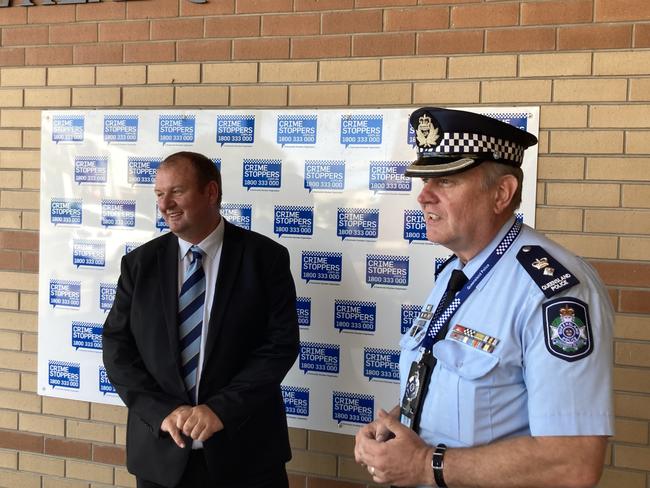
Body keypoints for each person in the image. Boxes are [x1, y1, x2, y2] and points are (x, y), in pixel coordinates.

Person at [354, 107, 614, 488]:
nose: (424, 196)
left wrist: (427, 465)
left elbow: (573, 462)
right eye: (426, 180)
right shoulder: (456, 271)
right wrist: (395, 429)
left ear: (501, 193)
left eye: (446, 181)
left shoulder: (555, 291)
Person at [102, 151, 300, 488]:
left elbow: (279, 346)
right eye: (159, 194)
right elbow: (118, 347)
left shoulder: (265, 258)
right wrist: (162, 412)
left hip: (246, 455)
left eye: (176, 192)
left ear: (211, 193)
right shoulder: (139, 265)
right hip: (161, 456)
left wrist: (220, 409)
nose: (165, 205)